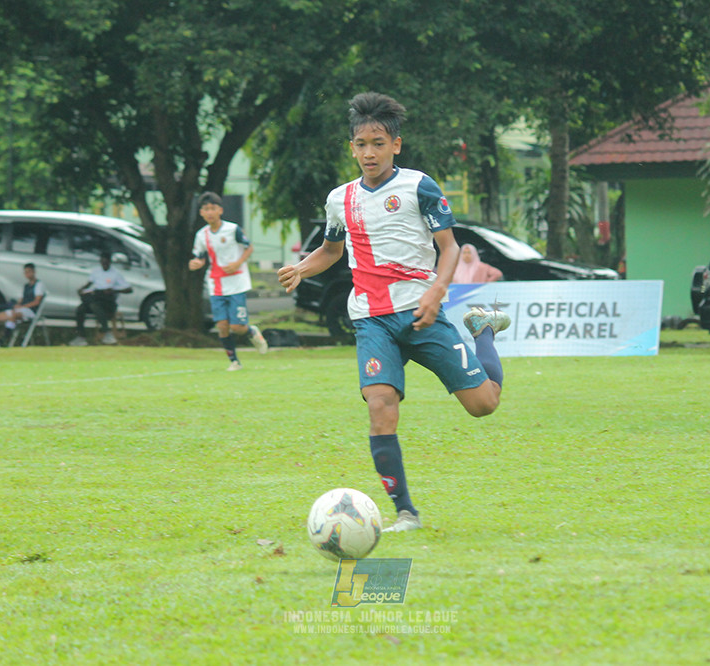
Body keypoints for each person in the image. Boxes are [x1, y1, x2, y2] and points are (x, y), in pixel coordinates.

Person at [277, 92, 509, 533]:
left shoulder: (420, 187)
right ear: (351, 148)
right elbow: (330, 250)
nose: (369, 152)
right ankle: (405, 512)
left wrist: (437, 291)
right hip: (370, 318)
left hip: (421, 313)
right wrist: (302, 269)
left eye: (378, 143)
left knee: (483, 405)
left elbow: (450, 248)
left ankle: (483, 331)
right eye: (361, 144)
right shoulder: (339, 199)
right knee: (380, 404)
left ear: (395, 145)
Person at [188, 191, 268, 371]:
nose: (209, 212)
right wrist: (196, 263)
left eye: (213, 208)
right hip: (216, 284)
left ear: (220, 210)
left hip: (236, 282)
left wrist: (237, 263)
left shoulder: (233, 230)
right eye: (206, 209)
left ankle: (251, 331)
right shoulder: (202, 235)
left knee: (237, 327)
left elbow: (249, 248)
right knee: (222, 326)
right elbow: (199, 256)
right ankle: (234, 361)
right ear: (201, 212)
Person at [0, 263, 46, 348]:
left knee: (13, 315)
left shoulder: (39, 285)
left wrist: (22, 307)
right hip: (20, 310)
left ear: (34, 272)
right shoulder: (26, 286)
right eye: (25, 272)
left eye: (29, 271)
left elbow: (37, 301)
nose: (27, 274)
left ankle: (2, 341)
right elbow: (21, 300)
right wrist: (17, 305)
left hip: (30, 311)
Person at [69, 251, 132, 346]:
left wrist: (114, 290)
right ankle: (81, 336)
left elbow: (129, 289)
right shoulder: (96, 272)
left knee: (94, 304)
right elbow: (89, 284)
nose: (104, 265)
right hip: (96, 297)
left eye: (106, 263)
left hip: (108, 301)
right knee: (80, 309)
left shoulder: (116, 274)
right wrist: (81, 289)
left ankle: (107, 333)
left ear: (110, 262)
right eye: (103, 263)